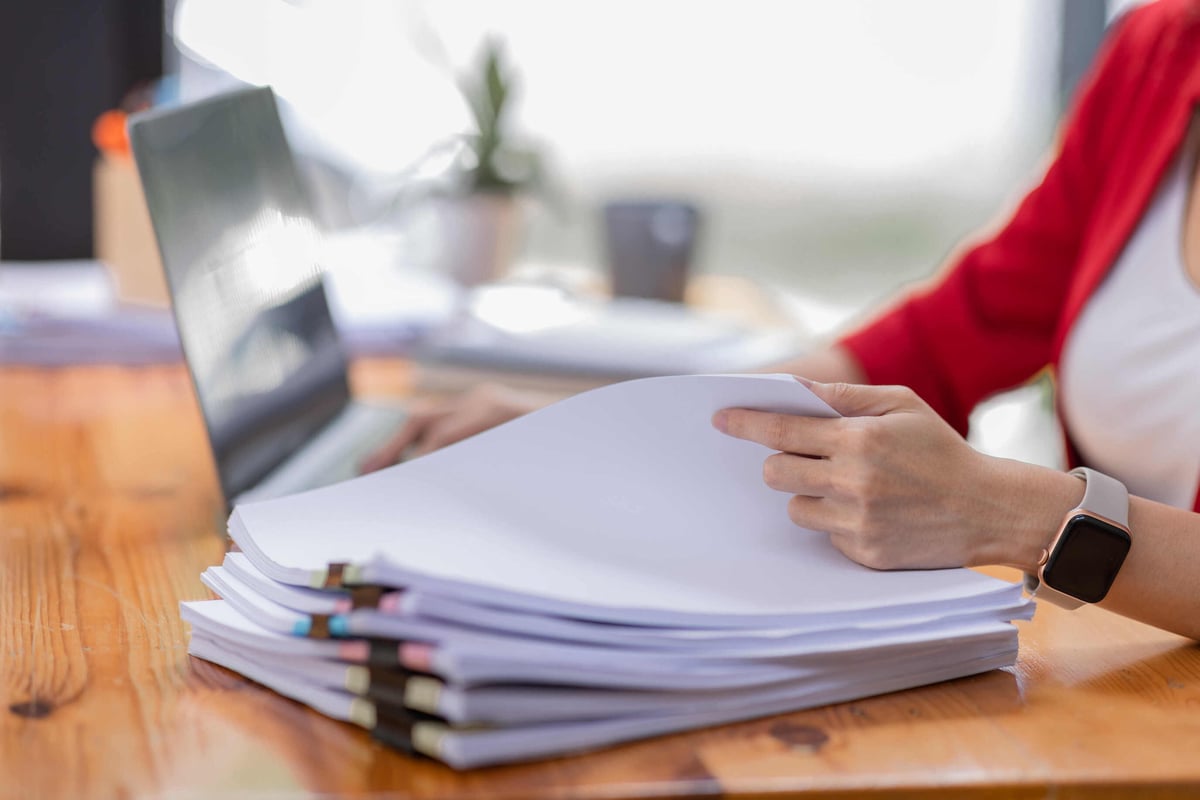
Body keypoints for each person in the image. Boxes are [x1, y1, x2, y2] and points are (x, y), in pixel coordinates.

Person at [366, 0, 1200, 640]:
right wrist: (592, 429)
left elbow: (998, 499)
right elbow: (927, 346)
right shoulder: (1159, 54)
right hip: (1128, 674)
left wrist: (1014, 515)